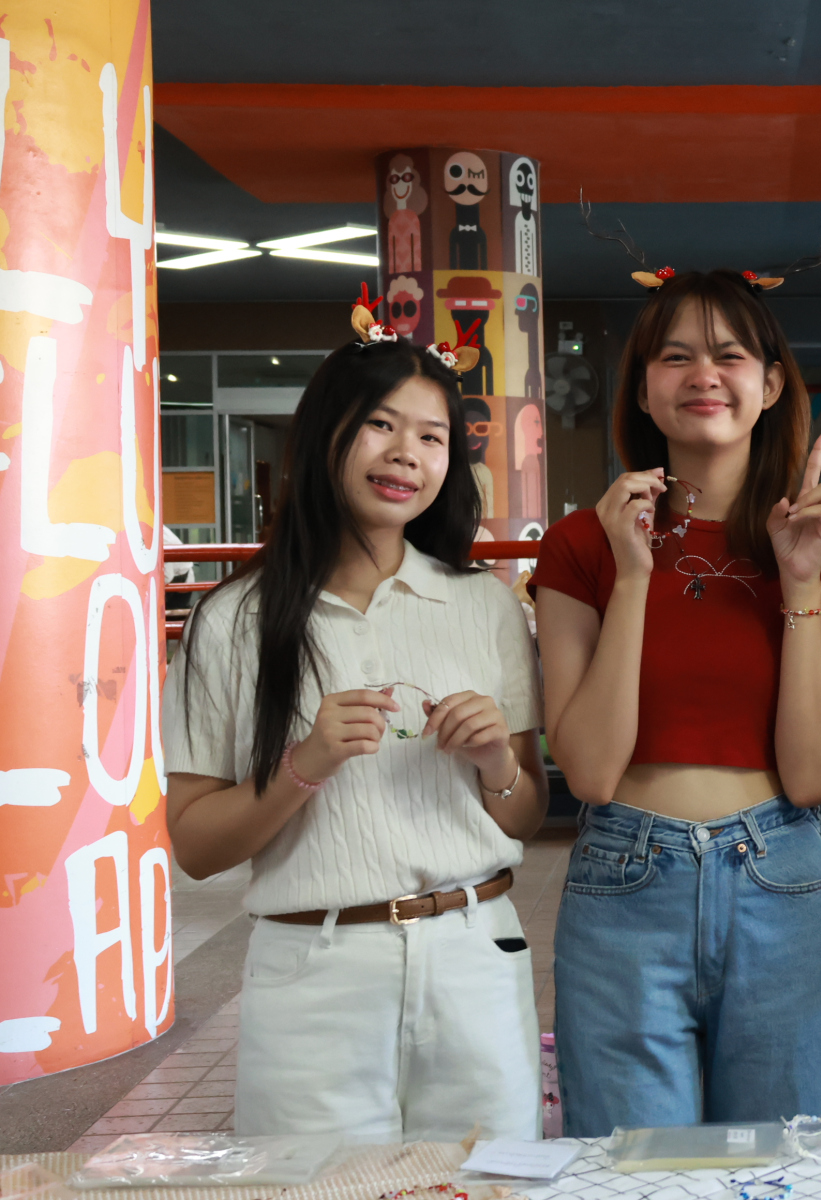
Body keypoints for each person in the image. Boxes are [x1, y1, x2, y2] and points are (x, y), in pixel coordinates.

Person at [163, 321, 549, 1141]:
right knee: (315, 1189)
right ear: (324, 433)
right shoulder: (232, 620)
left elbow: (523, 814)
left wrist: (496, 764)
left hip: (475, 956)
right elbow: (195, 847)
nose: (406, 453)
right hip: (314, 972)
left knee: (486, 1183)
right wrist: (304, 764)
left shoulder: (484, 605)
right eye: (380, 423)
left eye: (432, 437)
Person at [533, 268, 821, 1134]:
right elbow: (590, 770)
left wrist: (801, 583)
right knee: (635, 1178)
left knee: (776, 1173)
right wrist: (633, 575)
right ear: (644, 389)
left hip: (780, 877)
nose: (703, 375)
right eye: (675, 356)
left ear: (770, 384)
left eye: (729, 355)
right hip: (624, 881)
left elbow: (810, 777)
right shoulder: (581, 546)